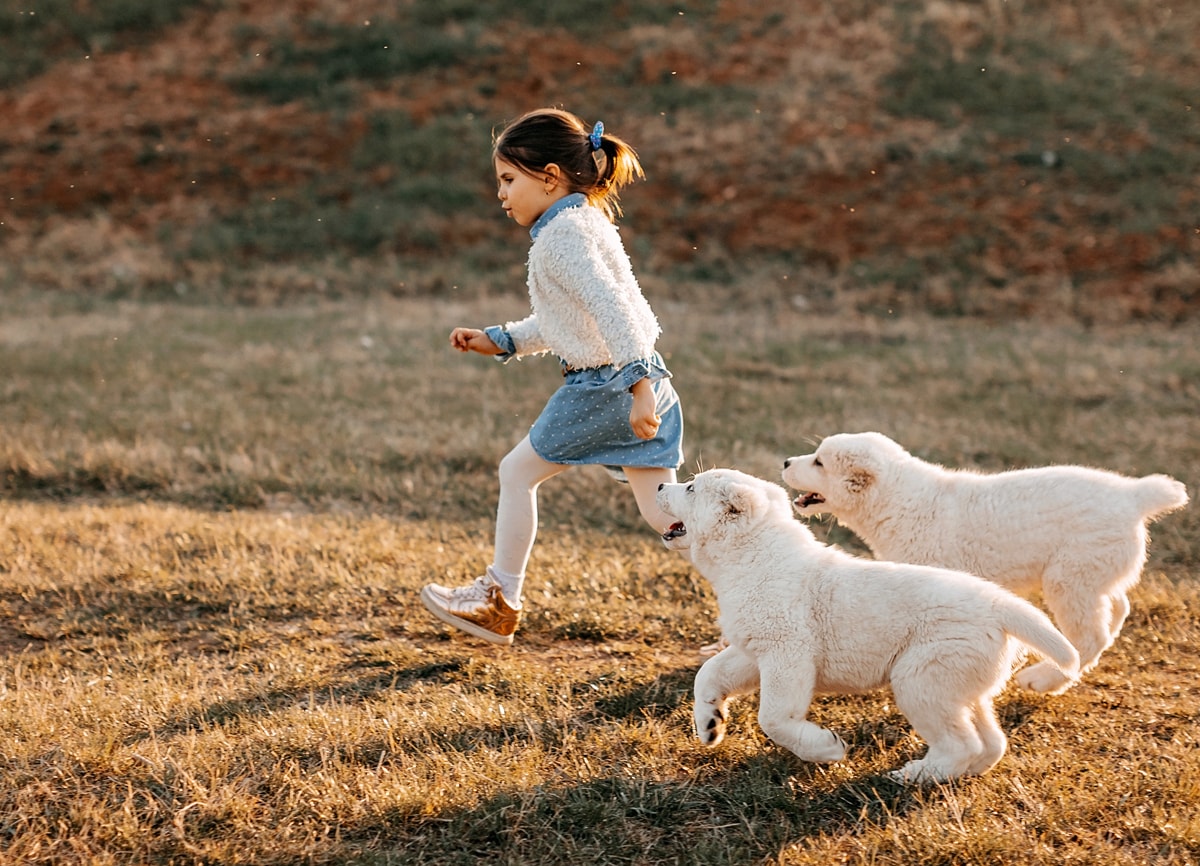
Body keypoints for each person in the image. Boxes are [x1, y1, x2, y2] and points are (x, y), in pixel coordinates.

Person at [420, 108, 685, 646]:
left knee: (517, 473)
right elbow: (575, 319)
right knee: (668, 515)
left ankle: (499, 599)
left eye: (508, 180)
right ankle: (762, 598)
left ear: (548, 176)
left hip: (607, 386)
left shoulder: (562, 236)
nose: (501, 194)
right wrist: (504, 339)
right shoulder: (583, 222)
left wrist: (636, 390)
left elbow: (614, 312)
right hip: (638, 380)